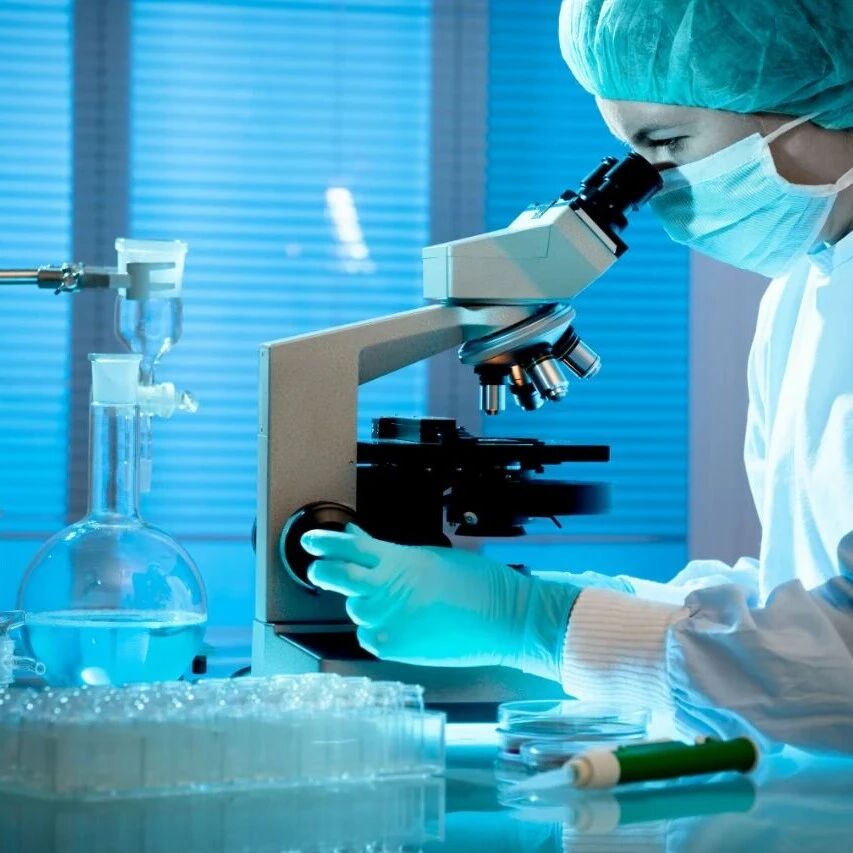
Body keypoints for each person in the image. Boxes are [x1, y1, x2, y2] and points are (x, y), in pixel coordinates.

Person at [301, 0, 853, 755]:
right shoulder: (802, 291)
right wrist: (578, 606)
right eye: (631, 153)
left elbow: (837, 664)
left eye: (667, 143)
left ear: (825, 96)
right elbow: (799, 599)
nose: (650, 186)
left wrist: (532, 622)